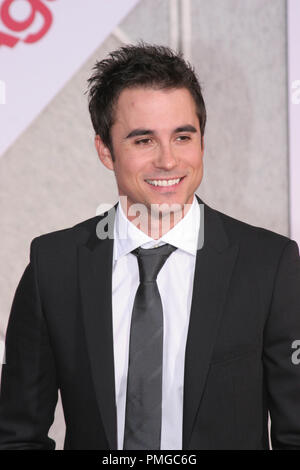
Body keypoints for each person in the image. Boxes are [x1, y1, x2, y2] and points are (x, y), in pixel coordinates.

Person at [0, 43, 300, 451]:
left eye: (182, 136)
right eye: (143, 141)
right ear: (105, 150)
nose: (167, 160)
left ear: (202, 142)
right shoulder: (54, 267)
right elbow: (17, 435)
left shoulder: (270, 265)